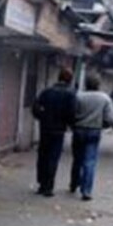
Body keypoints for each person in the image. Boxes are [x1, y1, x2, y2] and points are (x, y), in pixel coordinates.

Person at [71, 74, 113, 201]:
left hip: (79, 130)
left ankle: (74, 183)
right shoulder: (104, 98)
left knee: (77, 159)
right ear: (98, 84)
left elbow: (72, 112)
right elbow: (111, 118)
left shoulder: (78, 96)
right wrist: (102, 124)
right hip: (94, 131)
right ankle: (86, 191)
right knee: (89, 161)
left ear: (86, 83)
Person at [33, 68, 77, 197]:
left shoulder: (47, 92)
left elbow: (35, 107)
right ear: (69, 80)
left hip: (45, 128)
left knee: (43, 156)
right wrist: (70, 125)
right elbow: (72, 113)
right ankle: (49, 187)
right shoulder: (70, 94)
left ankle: (41, 184)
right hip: (59, 130)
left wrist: (41, 117)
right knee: (53, 157)